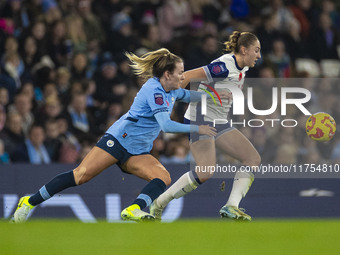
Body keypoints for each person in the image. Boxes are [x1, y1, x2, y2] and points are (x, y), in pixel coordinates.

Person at [13, 48, 216, 223]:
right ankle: (29, 201)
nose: (183, 77)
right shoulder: (154, 90)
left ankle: (133, 209)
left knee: (163, 177)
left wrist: (213, 96)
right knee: (80, 175)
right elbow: (166, 125)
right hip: (118, 141)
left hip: (138, 151)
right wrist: (198, 129)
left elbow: (188, 95)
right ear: (167, 74)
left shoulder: (172, 89)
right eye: (180, 73)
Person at [150, 31, 262, 221]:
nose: (259, 55)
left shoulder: (242, 68)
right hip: (200, 118)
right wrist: (166, 108)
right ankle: (158, 204)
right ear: (244, 50)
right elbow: (185, 78)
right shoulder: (223, 67)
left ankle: (231, 206)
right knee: (205, 171)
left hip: (219, 120)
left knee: (252, 158)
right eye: (256, 50)